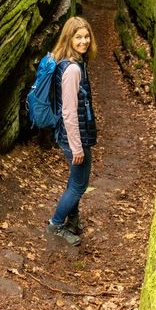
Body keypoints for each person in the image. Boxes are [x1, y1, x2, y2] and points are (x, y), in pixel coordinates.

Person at [46, 16, 98, 246]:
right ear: (69, 38)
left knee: (75, 182)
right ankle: (56, 224)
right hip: (73, 137)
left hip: (71, 134)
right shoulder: (73, 70)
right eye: (78, 37)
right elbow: (68, 111)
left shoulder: (69, 62)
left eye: (86, 36)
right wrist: (77, 146)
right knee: (79, 185)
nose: (84, 41)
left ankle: (73, 220)